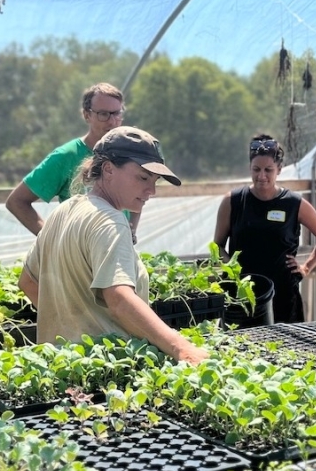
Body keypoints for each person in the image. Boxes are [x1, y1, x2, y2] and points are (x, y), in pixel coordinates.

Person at [18, 126, 208, 365]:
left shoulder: (64, 211)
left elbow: (27, 281)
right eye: (142, 178)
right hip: (106, 373)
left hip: (58, 367)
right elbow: (118, 298)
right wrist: (181, 348)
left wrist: (71, 323)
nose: (151, 190)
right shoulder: (111, 221)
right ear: (108, 169)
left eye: (154, 181)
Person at [213, 135, 316, 323]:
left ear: (279, 170)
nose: (262, 176)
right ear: (250, 168)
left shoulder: (294, 203)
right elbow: (217, 246)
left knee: (286, 348)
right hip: (241, 294)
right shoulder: (233, 200)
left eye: (268, 170)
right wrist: (233, 272)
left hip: (283, 293)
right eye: (256, 169)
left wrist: (306, 268)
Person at [6, 82, 138, 237]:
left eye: (117, 113)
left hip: (117, 250)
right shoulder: (66, 155)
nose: (112, 121)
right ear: (87, 115)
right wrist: (53, 241)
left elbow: (139, 196)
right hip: (79, 255)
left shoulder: (130, 152)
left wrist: (131, 230)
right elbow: (16, 201)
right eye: (103, 114)